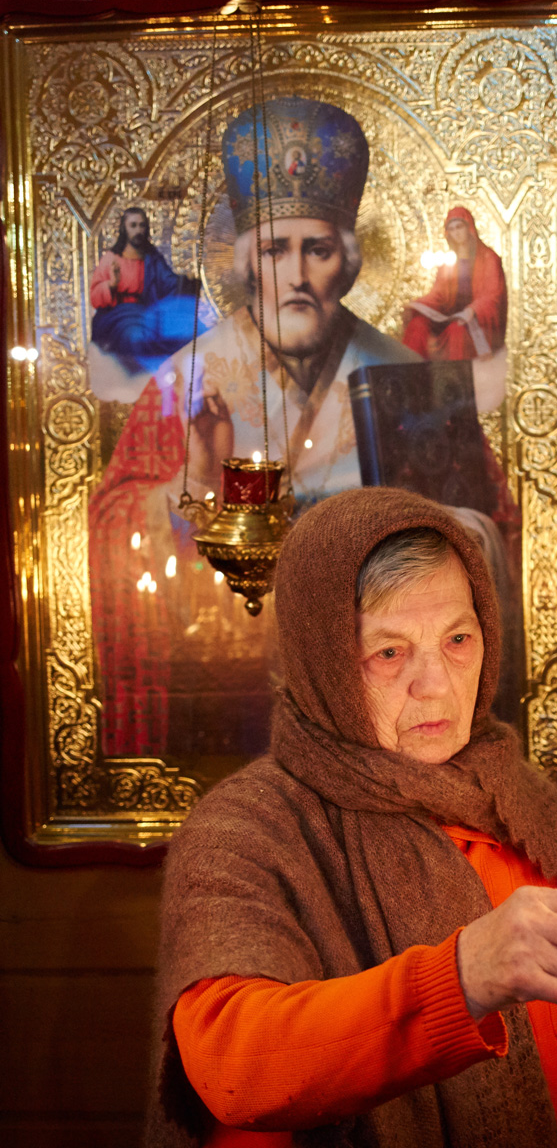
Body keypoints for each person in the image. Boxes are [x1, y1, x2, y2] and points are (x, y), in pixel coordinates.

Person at [147, 486, 557, 1148]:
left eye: (457, 639)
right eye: (389, 652)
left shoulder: (522, 802)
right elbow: (233, 1062)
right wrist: (465, 976)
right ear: (324, 663)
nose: (435, 683)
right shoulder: (247, 828)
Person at [88, 99, 512, 758]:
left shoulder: (407, 375)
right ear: (246, 263)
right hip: (232, 697)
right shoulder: (187, 380)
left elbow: (493, 524)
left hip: (384, 700)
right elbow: (115, 527)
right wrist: (196, 479)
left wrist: (444, 531)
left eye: (316, 249)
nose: (295, 274)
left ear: (346, 261)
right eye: (273, 249)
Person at [89, 206, 203, 399]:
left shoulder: (152, 258)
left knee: (179, 334)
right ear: (124, 229)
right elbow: (95, 296)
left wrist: (187, 282)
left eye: (142, 225)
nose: (138, 230)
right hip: (117, 317)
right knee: (135, 336)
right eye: (133, 225)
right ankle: (134, 384)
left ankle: (163, 386)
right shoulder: (111, 259)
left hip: (146, 313)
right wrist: (111, 284)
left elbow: (168, 283)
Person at [402, 207, 507, 361]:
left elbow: (493, 295)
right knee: (417, 325)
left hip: (475, 321)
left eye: (459, 227)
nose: (456, 233)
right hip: (449, 317)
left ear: (469, 228)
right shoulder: (449, 260)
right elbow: (439, 294)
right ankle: (410, 370)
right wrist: (417, 305)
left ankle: (455, 374)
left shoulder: (489, 258)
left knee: (456, 330)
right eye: (451, 229)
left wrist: (473, 309)